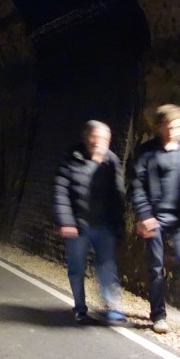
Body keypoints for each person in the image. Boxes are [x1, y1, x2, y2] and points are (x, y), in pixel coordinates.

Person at [130, 104, 180, 334]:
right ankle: (158, 315)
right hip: (155, 218)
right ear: (160, 127)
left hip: (179, 217)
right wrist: (144, 216)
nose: (176, 131)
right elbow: (138, 186)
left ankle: (168, 265)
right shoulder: (146, 152)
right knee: (154, 268)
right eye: (171, 126)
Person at [53, 120, 127, 326]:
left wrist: (118, 223)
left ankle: (114, 309)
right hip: (78, 226)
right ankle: (80, 308)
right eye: (95, 137)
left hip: (104, 226)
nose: (98, 142)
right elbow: (61, 191)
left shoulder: (112, 161)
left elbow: (118, 194)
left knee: (107, 268)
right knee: (77, 268)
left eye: (103, 138)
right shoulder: (72, 159)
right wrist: (66, 221)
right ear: (86, 138)